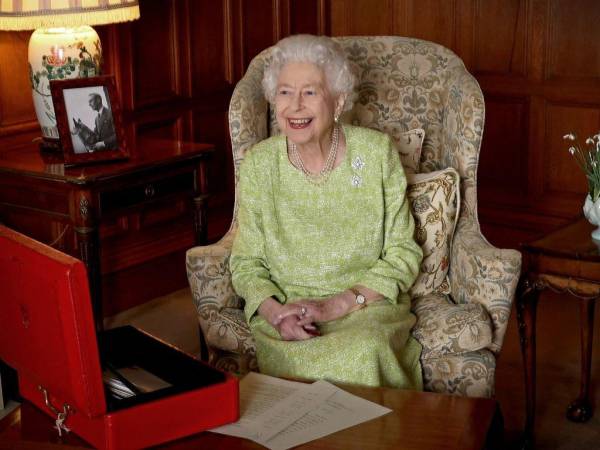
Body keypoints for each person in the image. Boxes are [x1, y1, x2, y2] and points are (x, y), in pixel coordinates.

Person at [230, 35, 423, 390]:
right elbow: (246, 263)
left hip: (365, 307)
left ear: (337, 102)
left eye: (310, 92)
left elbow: (402, 252)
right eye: (285, 92)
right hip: (289, 313)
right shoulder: (259, 164)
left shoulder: (377, 153)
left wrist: (337, 305)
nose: (295, 106)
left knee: (364, 352)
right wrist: (276, 314)